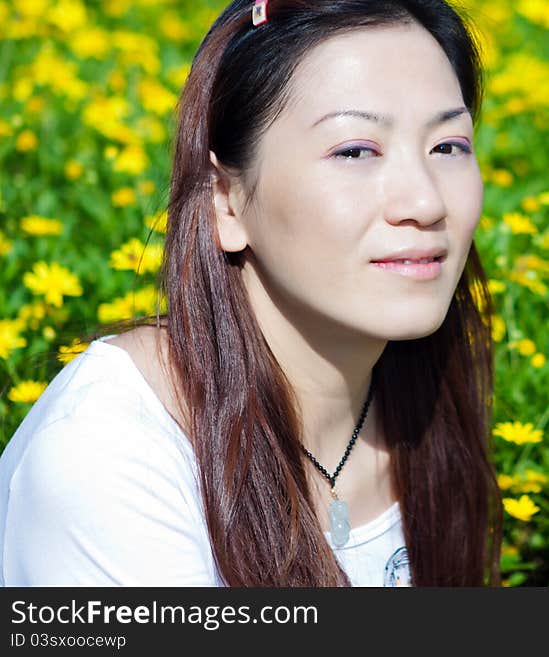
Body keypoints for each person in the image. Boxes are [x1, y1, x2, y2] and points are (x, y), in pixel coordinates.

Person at [0, 0, 502, 587]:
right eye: (355, 151)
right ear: (225, 201)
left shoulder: (425, 400)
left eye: (448, 146)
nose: (425, 203)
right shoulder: (110, 454)